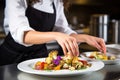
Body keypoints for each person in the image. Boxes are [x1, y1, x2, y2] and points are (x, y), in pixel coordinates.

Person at [0, 0, 106, 66]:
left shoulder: (56, 1)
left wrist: (84, 38)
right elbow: (22, 34)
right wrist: (56, 35)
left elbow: (63, 30)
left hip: (38, 59)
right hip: (11, 59)